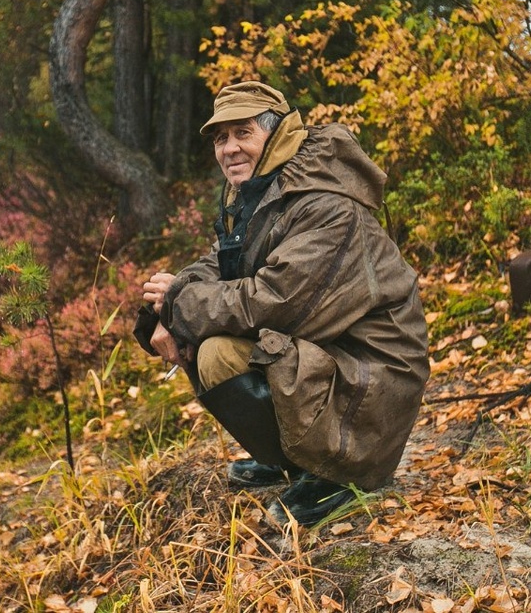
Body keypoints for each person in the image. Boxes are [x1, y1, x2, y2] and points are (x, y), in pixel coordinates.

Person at [135, 81, 429, 526]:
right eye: (220, 138)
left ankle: (340, 472)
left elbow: (274, 305)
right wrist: (167, 311)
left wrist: (179, 303)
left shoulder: (327, 206)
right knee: (208, 340)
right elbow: (214, 266)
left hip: (370, 384)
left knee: (218, 352)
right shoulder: (264, 196)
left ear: (278, 135)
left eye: (243, 133)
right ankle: (293, 460)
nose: (229, 148)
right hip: (330, 359)